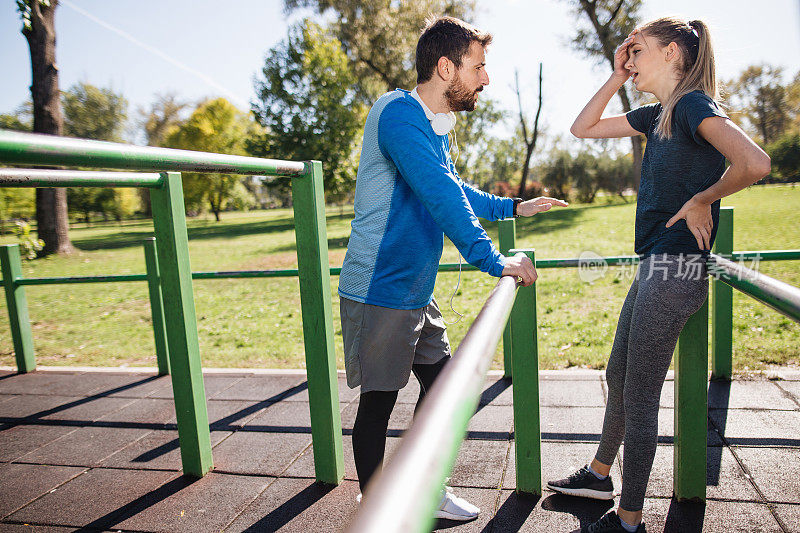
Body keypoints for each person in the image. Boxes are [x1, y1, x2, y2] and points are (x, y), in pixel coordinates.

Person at [338, 15, 567, 521]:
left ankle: (421, 488)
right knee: (378, 404)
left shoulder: (434, 128)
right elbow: (440, 195)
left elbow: (452, 186)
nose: (485, 78)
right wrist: (494, 261)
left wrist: (511, 208)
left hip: (414, 287)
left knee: (442, 388)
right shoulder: (399, 115)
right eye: (478, 67)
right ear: (446, 67)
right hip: (379, 286)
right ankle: (377, 510)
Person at [546, 17, 770, 533]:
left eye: (638, 51)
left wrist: (703, 198)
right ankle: (601, 474)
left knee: (641, 394)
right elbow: (582, 129)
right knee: (617, 375)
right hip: (655, 264)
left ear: (672, 53)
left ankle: (629, 518)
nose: (630, 59)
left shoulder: (693, 106)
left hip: (676, 268)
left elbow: (755, 161)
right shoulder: (658, 115)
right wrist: (615, 76)